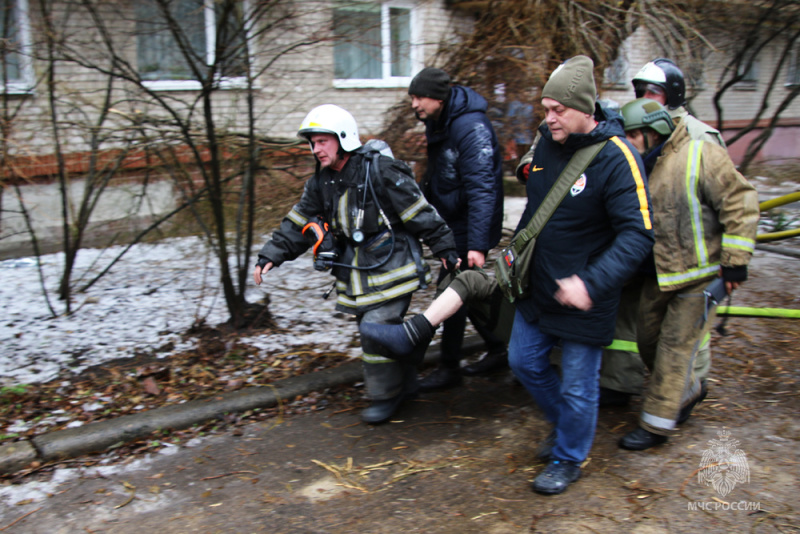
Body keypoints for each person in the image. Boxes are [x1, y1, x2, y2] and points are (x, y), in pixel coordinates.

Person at [365, 56, 655, 495]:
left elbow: (638, 235)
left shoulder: (616, 158)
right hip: (537, 286)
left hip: (586, 296)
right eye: (546, 108)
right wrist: (514, 256)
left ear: (584, 109)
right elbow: (537, 215)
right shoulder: (546, 146)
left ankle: (569, 456)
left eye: (558, 109)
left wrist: (591, 283)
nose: (549, 117)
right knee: (523, 362)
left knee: (579, 386)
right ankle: (565, 429)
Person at [253, 104, 459, 425]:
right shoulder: (320, 182)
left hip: (393, 267)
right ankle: (406, 383)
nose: (316, 148)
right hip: (357, 273)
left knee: (374, 332)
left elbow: (419, 211)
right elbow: (298, 223)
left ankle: (385, 396)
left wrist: (444, 245)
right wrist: (270, 255)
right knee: (384, 331)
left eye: (323, 140)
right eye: (313, 142)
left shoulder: (381, 170)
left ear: (343, 138)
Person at [617, 97, 759, 450]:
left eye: (633, 135)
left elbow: (740, 202)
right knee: (647, 340)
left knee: (674, 347)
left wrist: (735, 261)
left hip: (701, 273)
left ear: (653, 132)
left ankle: (656, 425)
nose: (628, 143)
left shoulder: (699, 153)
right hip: (660, 274)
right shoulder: (638, 166)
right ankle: (690, 388)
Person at [598, 58, 729, 407]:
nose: (645, 97)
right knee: (628, 318)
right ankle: (618, 382)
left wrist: (728, 260)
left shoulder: (700, 136)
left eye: (653, 91)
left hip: (687, 258)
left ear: (672, 94)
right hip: (644, 250)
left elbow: (728, 200)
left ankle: (689, 386)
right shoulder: (634, 128)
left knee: (685, 331)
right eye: (640, 91)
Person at [407, 67, 507, 391]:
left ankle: (449, 367)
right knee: (463, 291)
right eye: (411, 97)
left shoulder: (470, 125)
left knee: (450, 289)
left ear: (437, 97)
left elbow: (482, 188)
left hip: (470, 225)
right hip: (455, 221)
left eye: (418, 97)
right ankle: (499, 347)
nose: (414, 104)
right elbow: (441, 175)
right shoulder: (441, 121)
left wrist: (477, 245)